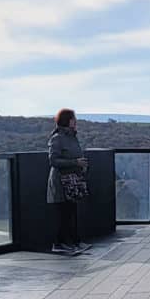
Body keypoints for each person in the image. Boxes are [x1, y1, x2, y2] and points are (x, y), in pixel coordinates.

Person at [47, 108, 88, 253]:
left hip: (73, 181)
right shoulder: (57, 138)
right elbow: (53, 160)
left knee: (71, 212)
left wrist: (80, 166)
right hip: (61, 182)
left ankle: (74, 242)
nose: (75, 121)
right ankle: (59, 244)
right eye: (73, 118)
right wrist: (75, 163)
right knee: (63, 214)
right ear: (67, 120)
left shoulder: (72, 137)